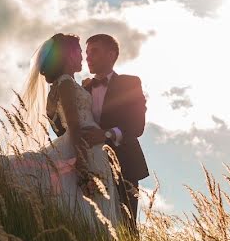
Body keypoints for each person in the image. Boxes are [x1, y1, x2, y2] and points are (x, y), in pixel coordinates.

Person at [12, 33, 121, 230]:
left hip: (87, 148)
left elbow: (57, 124)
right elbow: (74, 126)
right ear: (69, 55)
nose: (83, 57)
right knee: (90, 210)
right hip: (86, 151)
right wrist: (83, 165)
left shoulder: (63, 85)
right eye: (80, 52)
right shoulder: (66, 84)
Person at [51, 34, 147, 231]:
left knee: (127, 228)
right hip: (88, 166)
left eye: (94, 51)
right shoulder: (80, 87)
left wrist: (106, 134)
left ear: (111, 54)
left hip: (125, 165)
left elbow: (137, 126)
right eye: (86, 53)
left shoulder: (130, 83)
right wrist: (52, 111)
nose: (88, 57)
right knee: (91, 226)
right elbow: (64, 127)